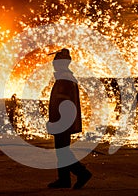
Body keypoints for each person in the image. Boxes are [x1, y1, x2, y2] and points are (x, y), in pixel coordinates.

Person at [47, 48, 92, 189]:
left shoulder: (64, 78)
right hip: (63, 121)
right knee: (62, 149)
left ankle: (82, 173)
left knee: (62, 150)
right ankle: (64, 180)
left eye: (56, 62)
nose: (53, 64)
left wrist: (58, 121)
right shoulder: (65, 76)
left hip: (62, 122)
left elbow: (62, 103)